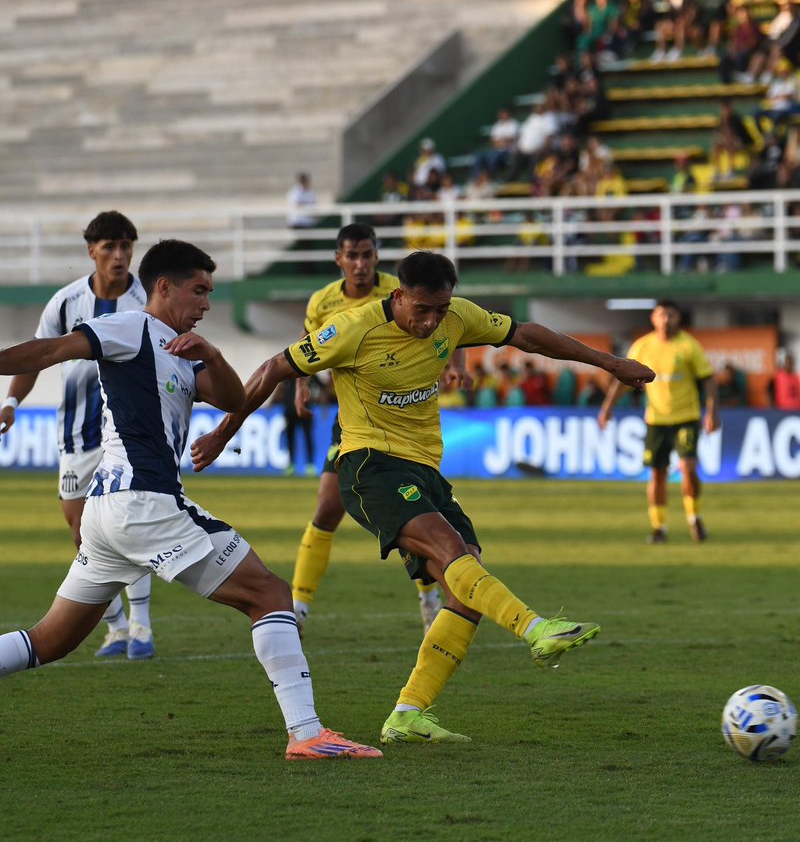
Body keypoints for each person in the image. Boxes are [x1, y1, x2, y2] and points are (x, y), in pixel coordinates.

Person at [192, 250, 653, 744]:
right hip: (369, 465)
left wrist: (610, 363)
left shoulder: (457, 317)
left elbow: (529, 335)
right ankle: (535, 628)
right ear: (399, 296)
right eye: (423, 309)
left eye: (441, 309)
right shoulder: (353, 329)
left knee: (466, 591)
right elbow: (272, 369)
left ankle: (407, 714)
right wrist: (222, 433)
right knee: (450, 551)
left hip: (426, 470)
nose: (433, 321)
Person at [0, 238, 380, 762]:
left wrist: (213, 355)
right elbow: (50, 351)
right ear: (164, 287)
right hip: (143, 504)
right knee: (271, 593)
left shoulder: (180, 350)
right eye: (199, 291)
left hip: (107, 515)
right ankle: (307, 733)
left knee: (50, 641)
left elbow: (233, 399)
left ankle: (308, 734)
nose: (206, 304)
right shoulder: (129, 327)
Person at [0, 210, 156, 661]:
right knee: (81, 532)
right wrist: (11, 403)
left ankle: (142, 625)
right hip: (75, 435)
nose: (120, 255)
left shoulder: (145, 302)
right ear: (92, 251)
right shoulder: (66, 302)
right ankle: (118, 628)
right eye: (110, 246)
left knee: (129, 527)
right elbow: (37, 356)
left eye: (126, 246)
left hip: (126, 435)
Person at [285, 223, 442, 636]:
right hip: (353, 422)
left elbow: (448, 321)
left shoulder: (399, 290)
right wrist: (301, 385)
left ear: (376, 256)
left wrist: (454, 366)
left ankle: (429, 597)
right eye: (352, 256)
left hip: (404, 423)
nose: (360, 263)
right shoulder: (323, 301)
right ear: (339, 259)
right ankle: (298, 608)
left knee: (413, 517)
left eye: (367, 255)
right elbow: (306, 342)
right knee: (326, 510)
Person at [598, 300, 718, 545]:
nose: (665, 320)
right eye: (661, 315)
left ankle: (694, 518)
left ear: (678, 318)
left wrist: (712, 412)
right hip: (656, 419)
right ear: (653, 318)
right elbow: (622, 379)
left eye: (670, 315)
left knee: (688, 468)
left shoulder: (688, 345)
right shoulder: (643, 346)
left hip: (686, 417)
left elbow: (708, 379)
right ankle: (659, 527)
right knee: (657, 473)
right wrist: (607, 407)